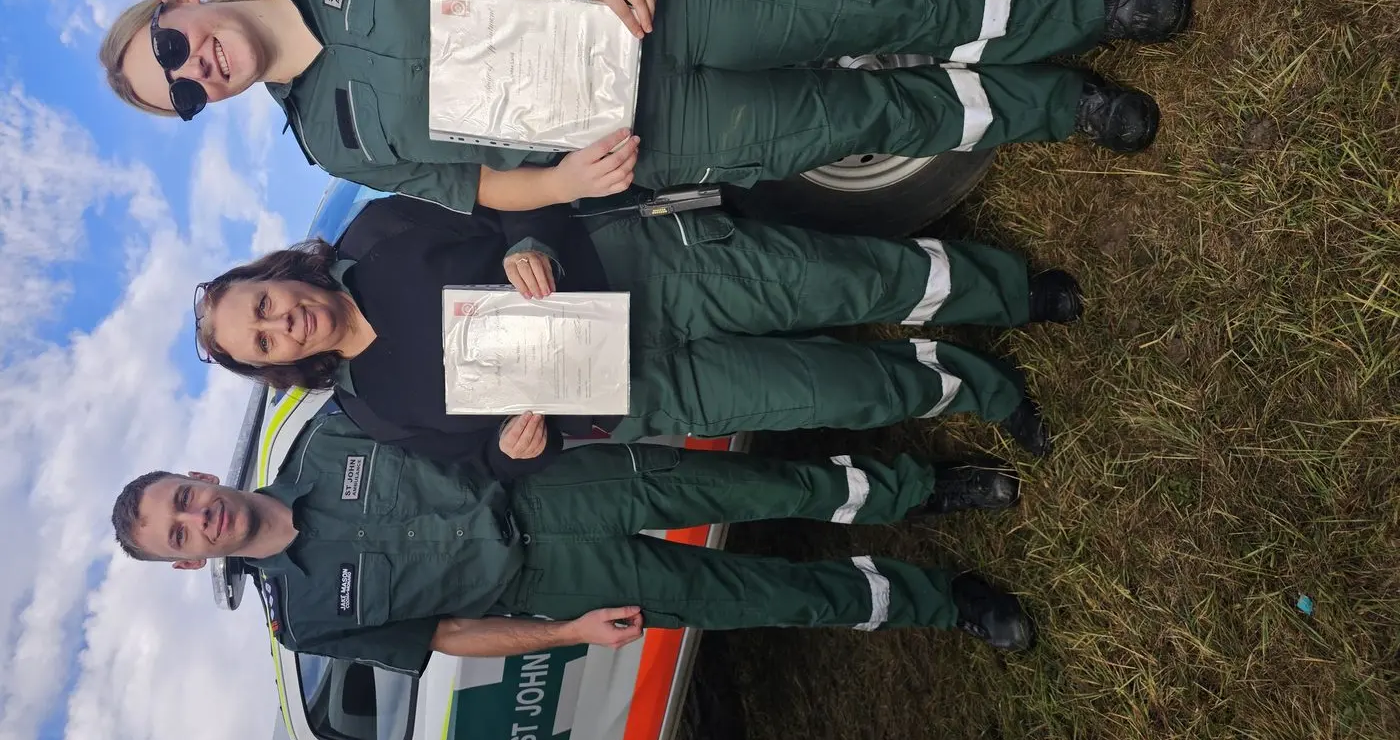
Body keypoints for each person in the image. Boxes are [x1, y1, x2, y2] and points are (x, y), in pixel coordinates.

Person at [99, 0, 1192, 215]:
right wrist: (567, 181)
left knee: (870, 6)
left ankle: (1089, 12)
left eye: (174, 49)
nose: (200, 71)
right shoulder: (328, 146)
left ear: (180, 0)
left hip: (649, 2)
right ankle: (1065, 109)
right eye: (182, 98)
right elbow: (470, 187)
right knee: (860, 118)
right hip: (648, 128)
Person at [193, 195, 1084, 476]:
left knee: (850, 275)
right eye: (262, 343)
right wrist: (518, 444)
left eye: (262, 305)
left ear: (274, 274)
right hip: (642, 392)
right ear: (277, 367)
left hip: (649, 271)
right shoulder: (373, 412)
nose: (279, 324)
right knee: (841, 389)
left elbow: (509, 187)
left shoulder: (378, 232)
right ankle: (983, 386)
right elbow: (485, 465)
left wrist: (527, 242)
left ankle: (1015, 292)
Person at [111, 411, 1036, 671]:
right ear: (191, 561)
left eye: (183, 497)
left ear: (199, 473)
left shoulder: (326, 435)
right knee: (762, 594)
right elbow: (445, 635)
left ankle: (926, 489)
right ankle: (946, 603)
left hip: (554, 478)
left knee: (765, 482)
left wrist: (523, 425)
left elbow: (454, 413)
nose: (199, 516)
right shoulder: (304, 622)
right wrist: (571, 631)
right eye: (180, 533)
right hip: (553, 577)